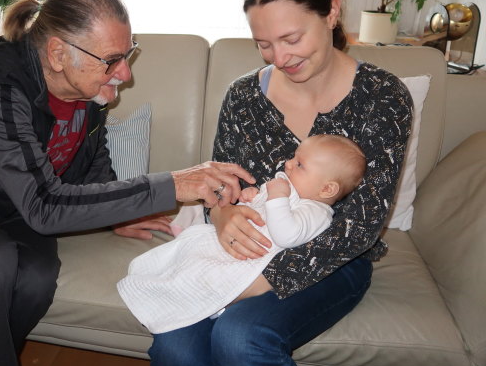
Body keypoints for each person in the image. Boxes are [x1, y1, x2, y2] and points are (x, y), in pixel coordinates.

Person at [0, 0, 255, 366]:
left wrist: (119, 212)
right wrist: (173, 184)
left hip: (11, 201)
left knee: (37, 277)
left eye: (128, 53)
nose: (126, 72)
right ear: (58, 53)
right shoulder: (0, 79)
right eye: (113, 59)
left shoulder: (88, 87)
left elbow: (89, 158)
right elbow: (43, 207)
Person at [148, 0, 413, 366]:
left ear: (331, 11)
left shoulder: (383, 98)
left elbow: (362, 225)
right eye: (264, 44)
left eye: (291, 39)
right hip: (241, 252)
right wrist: (222, 215)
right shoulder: (243, 98)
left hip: (336, 260)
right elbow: (221, 189)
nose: (279, 58)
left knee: (240, 338)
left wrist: (266, 281)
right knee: (174, 355)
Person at [118, 134, 366, 334]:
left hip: (253, 259)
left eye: (299, 165)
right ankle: (162, 281)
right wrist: (253, 198)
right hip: (234, 240)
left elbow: (286, 235)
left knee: (210, 274)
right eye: (293, 157)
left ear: (327, 189)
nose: (288, 164)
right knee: (189, 247)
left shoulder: (317, 212)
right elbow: (259, 212)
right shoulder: (290, 190)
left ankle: (208, 302)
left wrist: (276, 198)